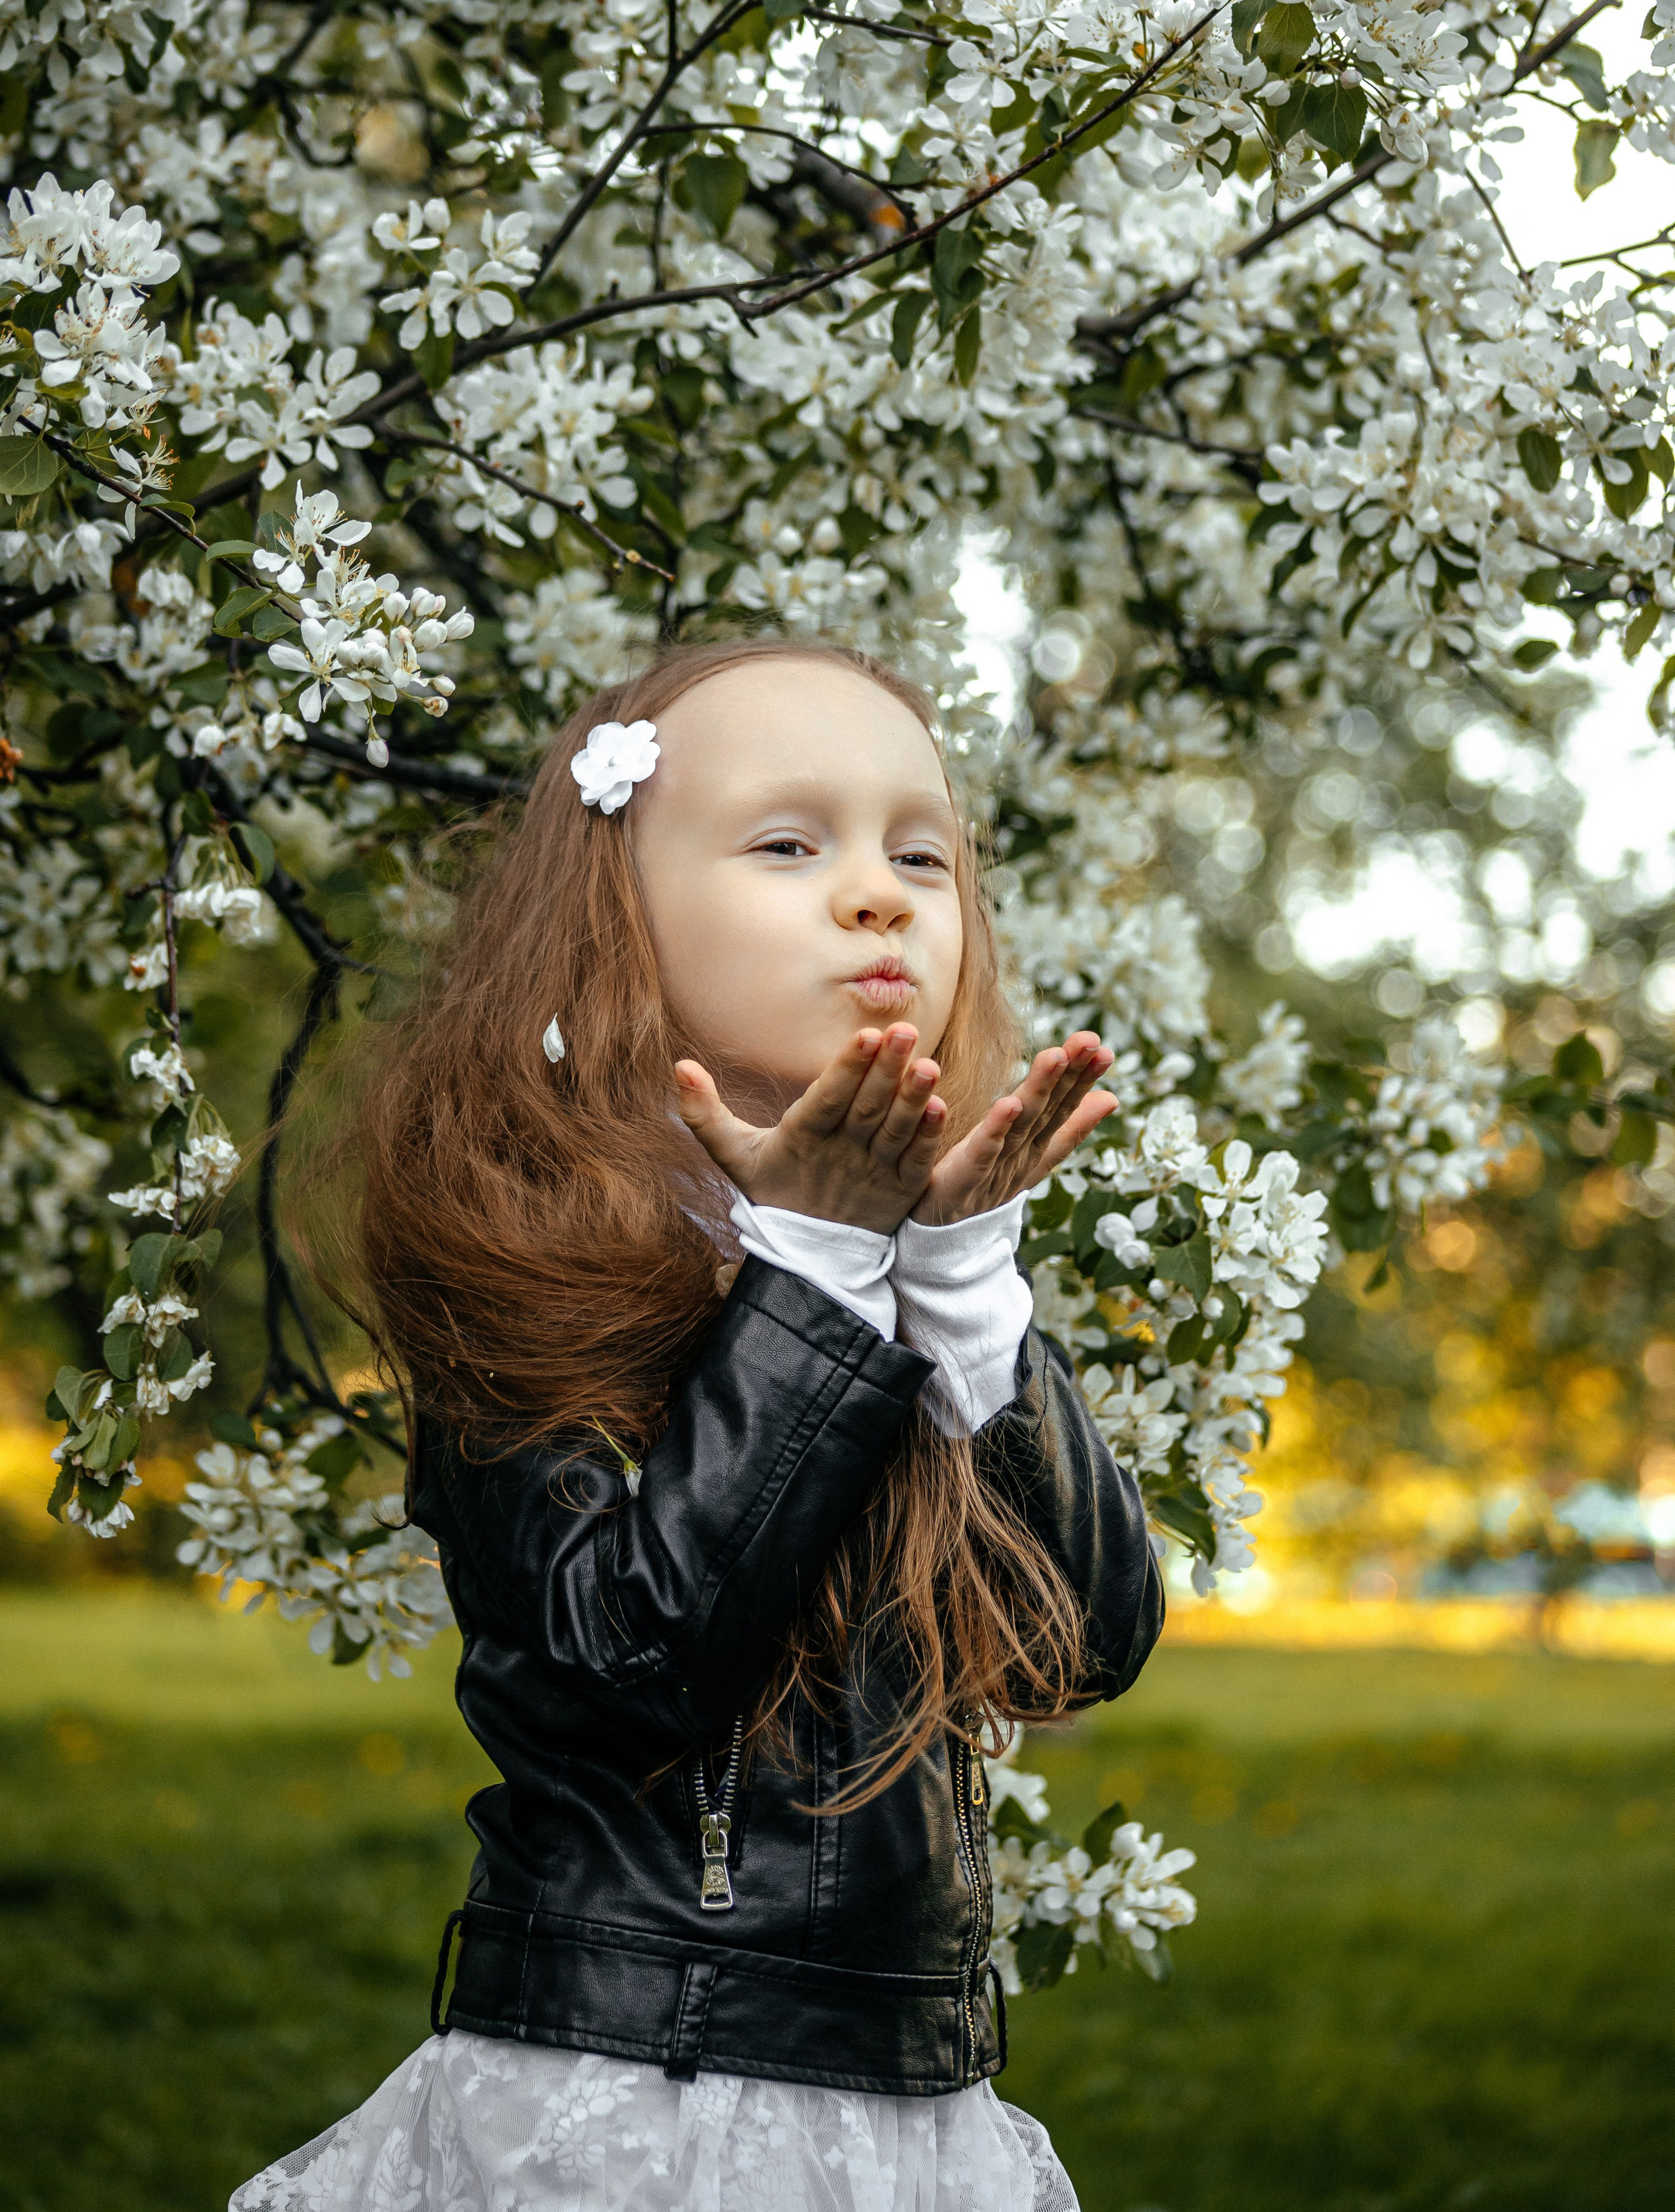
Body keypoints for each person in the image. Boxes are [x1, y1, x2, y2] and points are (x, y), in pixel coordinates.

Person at [233, 638, 1163, 2212]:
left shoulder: (899, 1271)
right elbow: (629, 1659)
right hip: (638, 2091)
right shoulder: (519, 1258)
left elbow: (1077, 1647)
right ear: (615, 919)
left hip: (911, 2106)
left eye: (918, 853)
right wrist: (806, 1272)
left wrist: (958, 1281)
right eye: (788, 844)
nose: (876, 895)